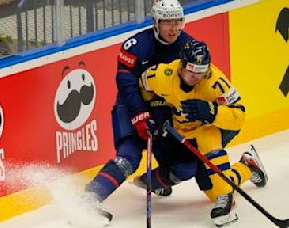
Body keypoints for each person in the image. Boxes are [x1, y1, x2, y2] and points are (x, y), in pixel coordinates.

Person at [134, 39, 268, 227]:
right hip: (181, 135)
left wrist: (212, 111)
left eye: (201, 71)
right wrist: (155, 108)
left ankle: (225, 198)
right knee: (211, 190)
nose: (197, 76)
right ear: (181, 66)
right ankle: (248, 166)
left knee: (207, 137)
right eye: (192, 71)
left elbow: (239, 116)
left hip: (211, 129)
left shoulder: (216, 82)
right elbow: (143, 86)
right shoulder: (162, 75)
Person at [83, 0, 194, 222]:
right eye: (167, 22)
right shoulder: (135, 45)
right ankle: (89, 198)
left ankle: (149, 182)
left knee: (186, 167)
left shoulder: (189, 46)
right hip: (132, 106)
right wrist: (139, 114)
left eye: (177, 21)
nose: (173, 28)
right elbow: (125, 83)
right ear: (155, 23)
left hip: (167, 112)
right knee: (128, 158)